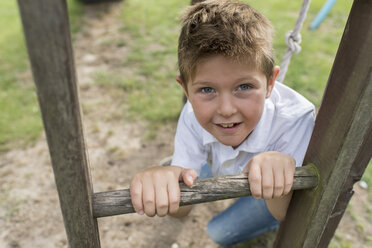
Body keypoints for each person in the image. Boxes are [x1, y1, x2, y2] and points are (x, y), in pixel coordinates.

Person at [130, 0, 315, 246]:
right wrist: (166, 186)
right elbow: (180, 211)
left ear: (271, 82)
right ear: (185, 89)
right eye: (207, 89)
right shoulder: (191, 113)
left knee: (219, 232)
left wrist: (281, 177)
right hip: (220, 163)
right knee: (180, 173)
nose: (226, 110)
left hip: (274, 195)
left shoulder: (296, 120)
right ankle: (178, 168)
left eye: (244, 87)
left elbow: (287, 213)